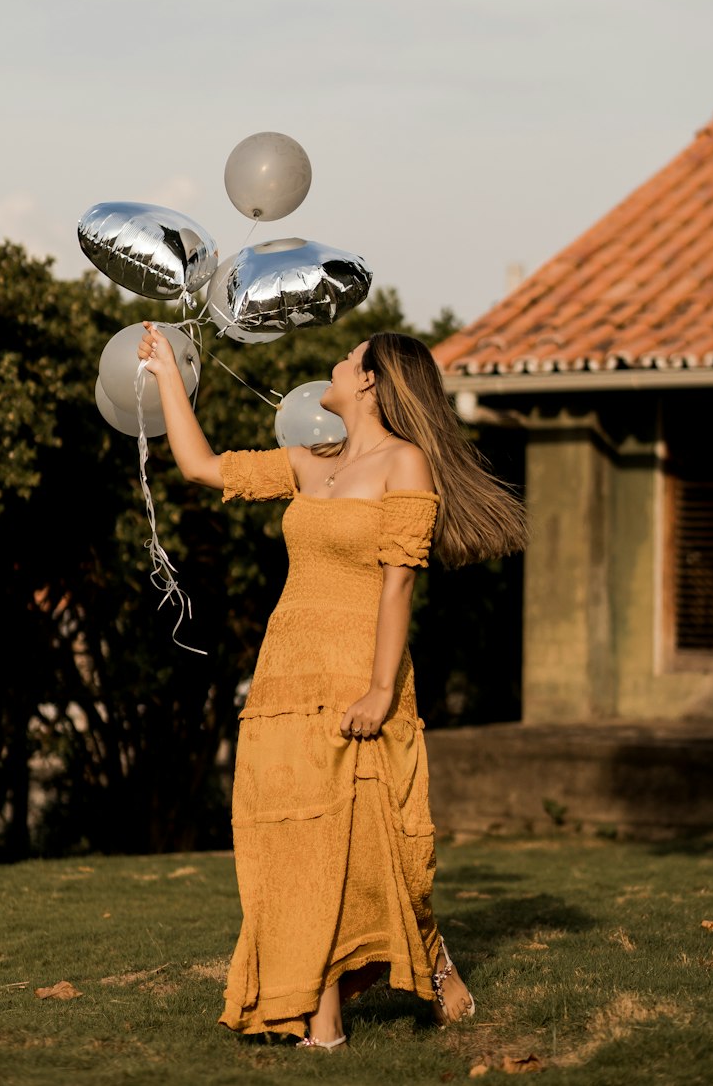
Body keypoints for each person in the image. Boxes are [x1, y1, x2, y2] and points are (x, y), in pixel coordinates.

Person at [138, 323, 527, 1049]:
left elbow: (398, 585)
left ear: (374, 383)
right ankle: (323, 1023)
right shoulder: (312, 461)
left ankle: (432, 959)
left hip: (359, 669)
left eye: (350, 361)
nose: (338, 365)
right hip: (286, 669)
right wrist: (165, 371)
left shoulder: (404, 464)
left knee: (377, 847)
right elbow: (200, 467)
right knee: (295, 843)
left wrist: (381, 690)